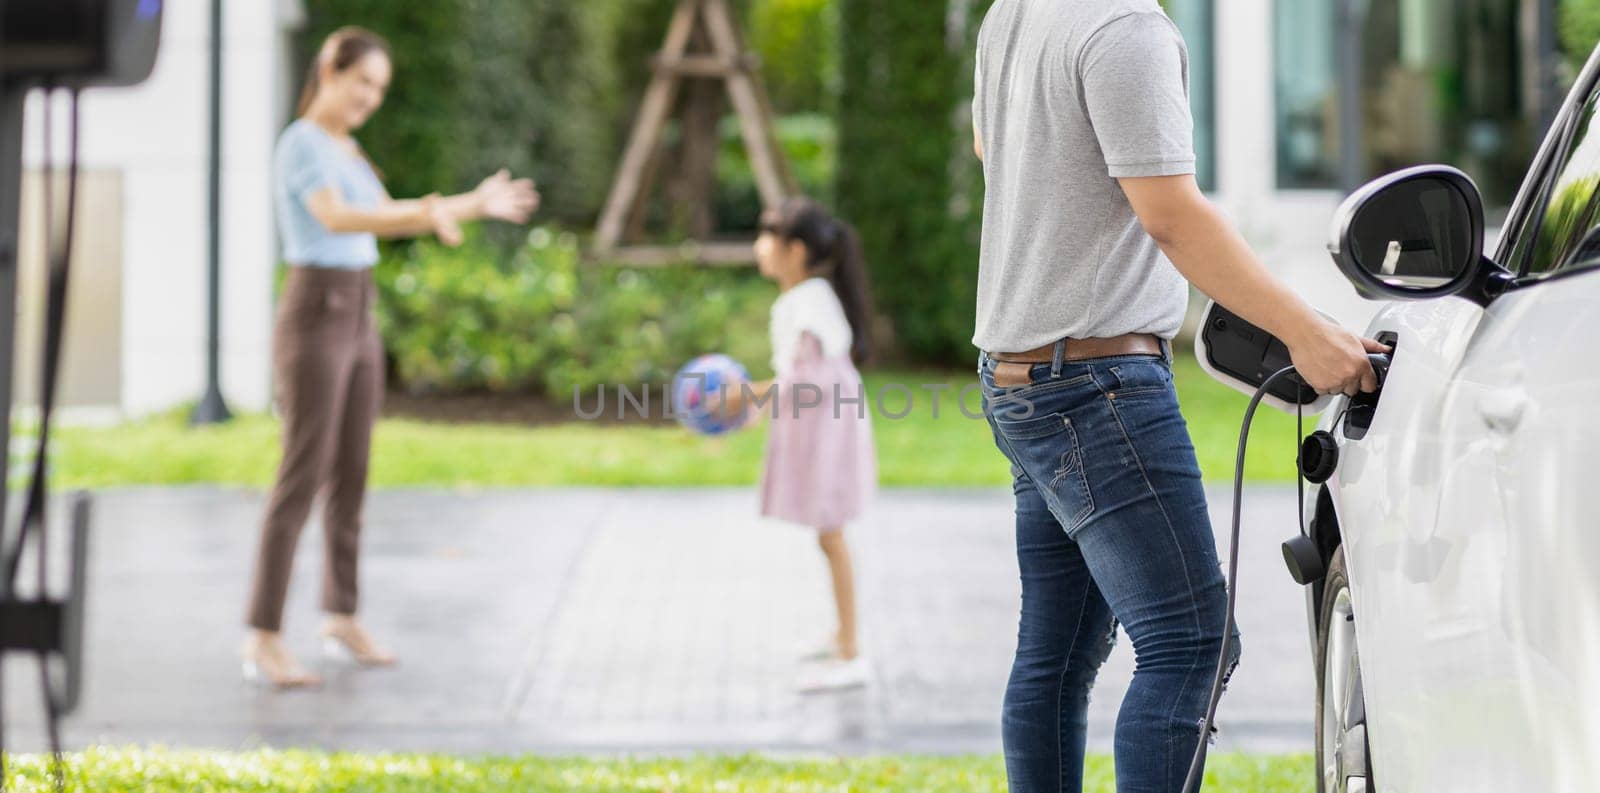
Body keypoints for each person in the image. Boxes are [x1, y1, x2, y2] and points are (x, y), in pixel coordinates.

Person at [970, 1, 1387, 790]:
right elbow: (1169, 215)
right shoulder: (1125, 26)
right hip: (1097, 387)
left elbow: (997, 148)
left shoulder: (1017, 12)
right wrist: (1302, 330)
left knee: (1055, 655)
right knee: (1191, 641)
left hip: (1023, 376)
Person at [242, 26, 539, 689]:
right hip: (316, 311)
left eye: (379, 89)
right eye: (362, 82)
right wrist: (440, 208)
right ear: (330, 69)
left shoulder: (349, 149)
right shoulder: (302, 145)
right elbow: (340, 219)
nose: (370, 98)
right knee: (302, 472)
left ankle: (340, 615)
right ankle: (262, 634)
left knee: (352, 471)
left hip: (360, 311)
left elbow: (393, 216)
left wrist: (465, 207)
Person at [717, 197, 878, 692]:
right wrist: (757, 408)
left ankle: (851, 653)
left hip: (827, 428)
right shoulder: (808, 298)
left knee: (831, 533)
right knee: (826, 534)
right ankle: (841, 634)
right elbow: (799, 375)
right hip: (823, 425)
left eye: (768, 236)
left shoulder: (807, 301)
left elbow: (809, 380)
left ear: (796, 249)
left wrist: (746, 396)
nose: (758, 247)